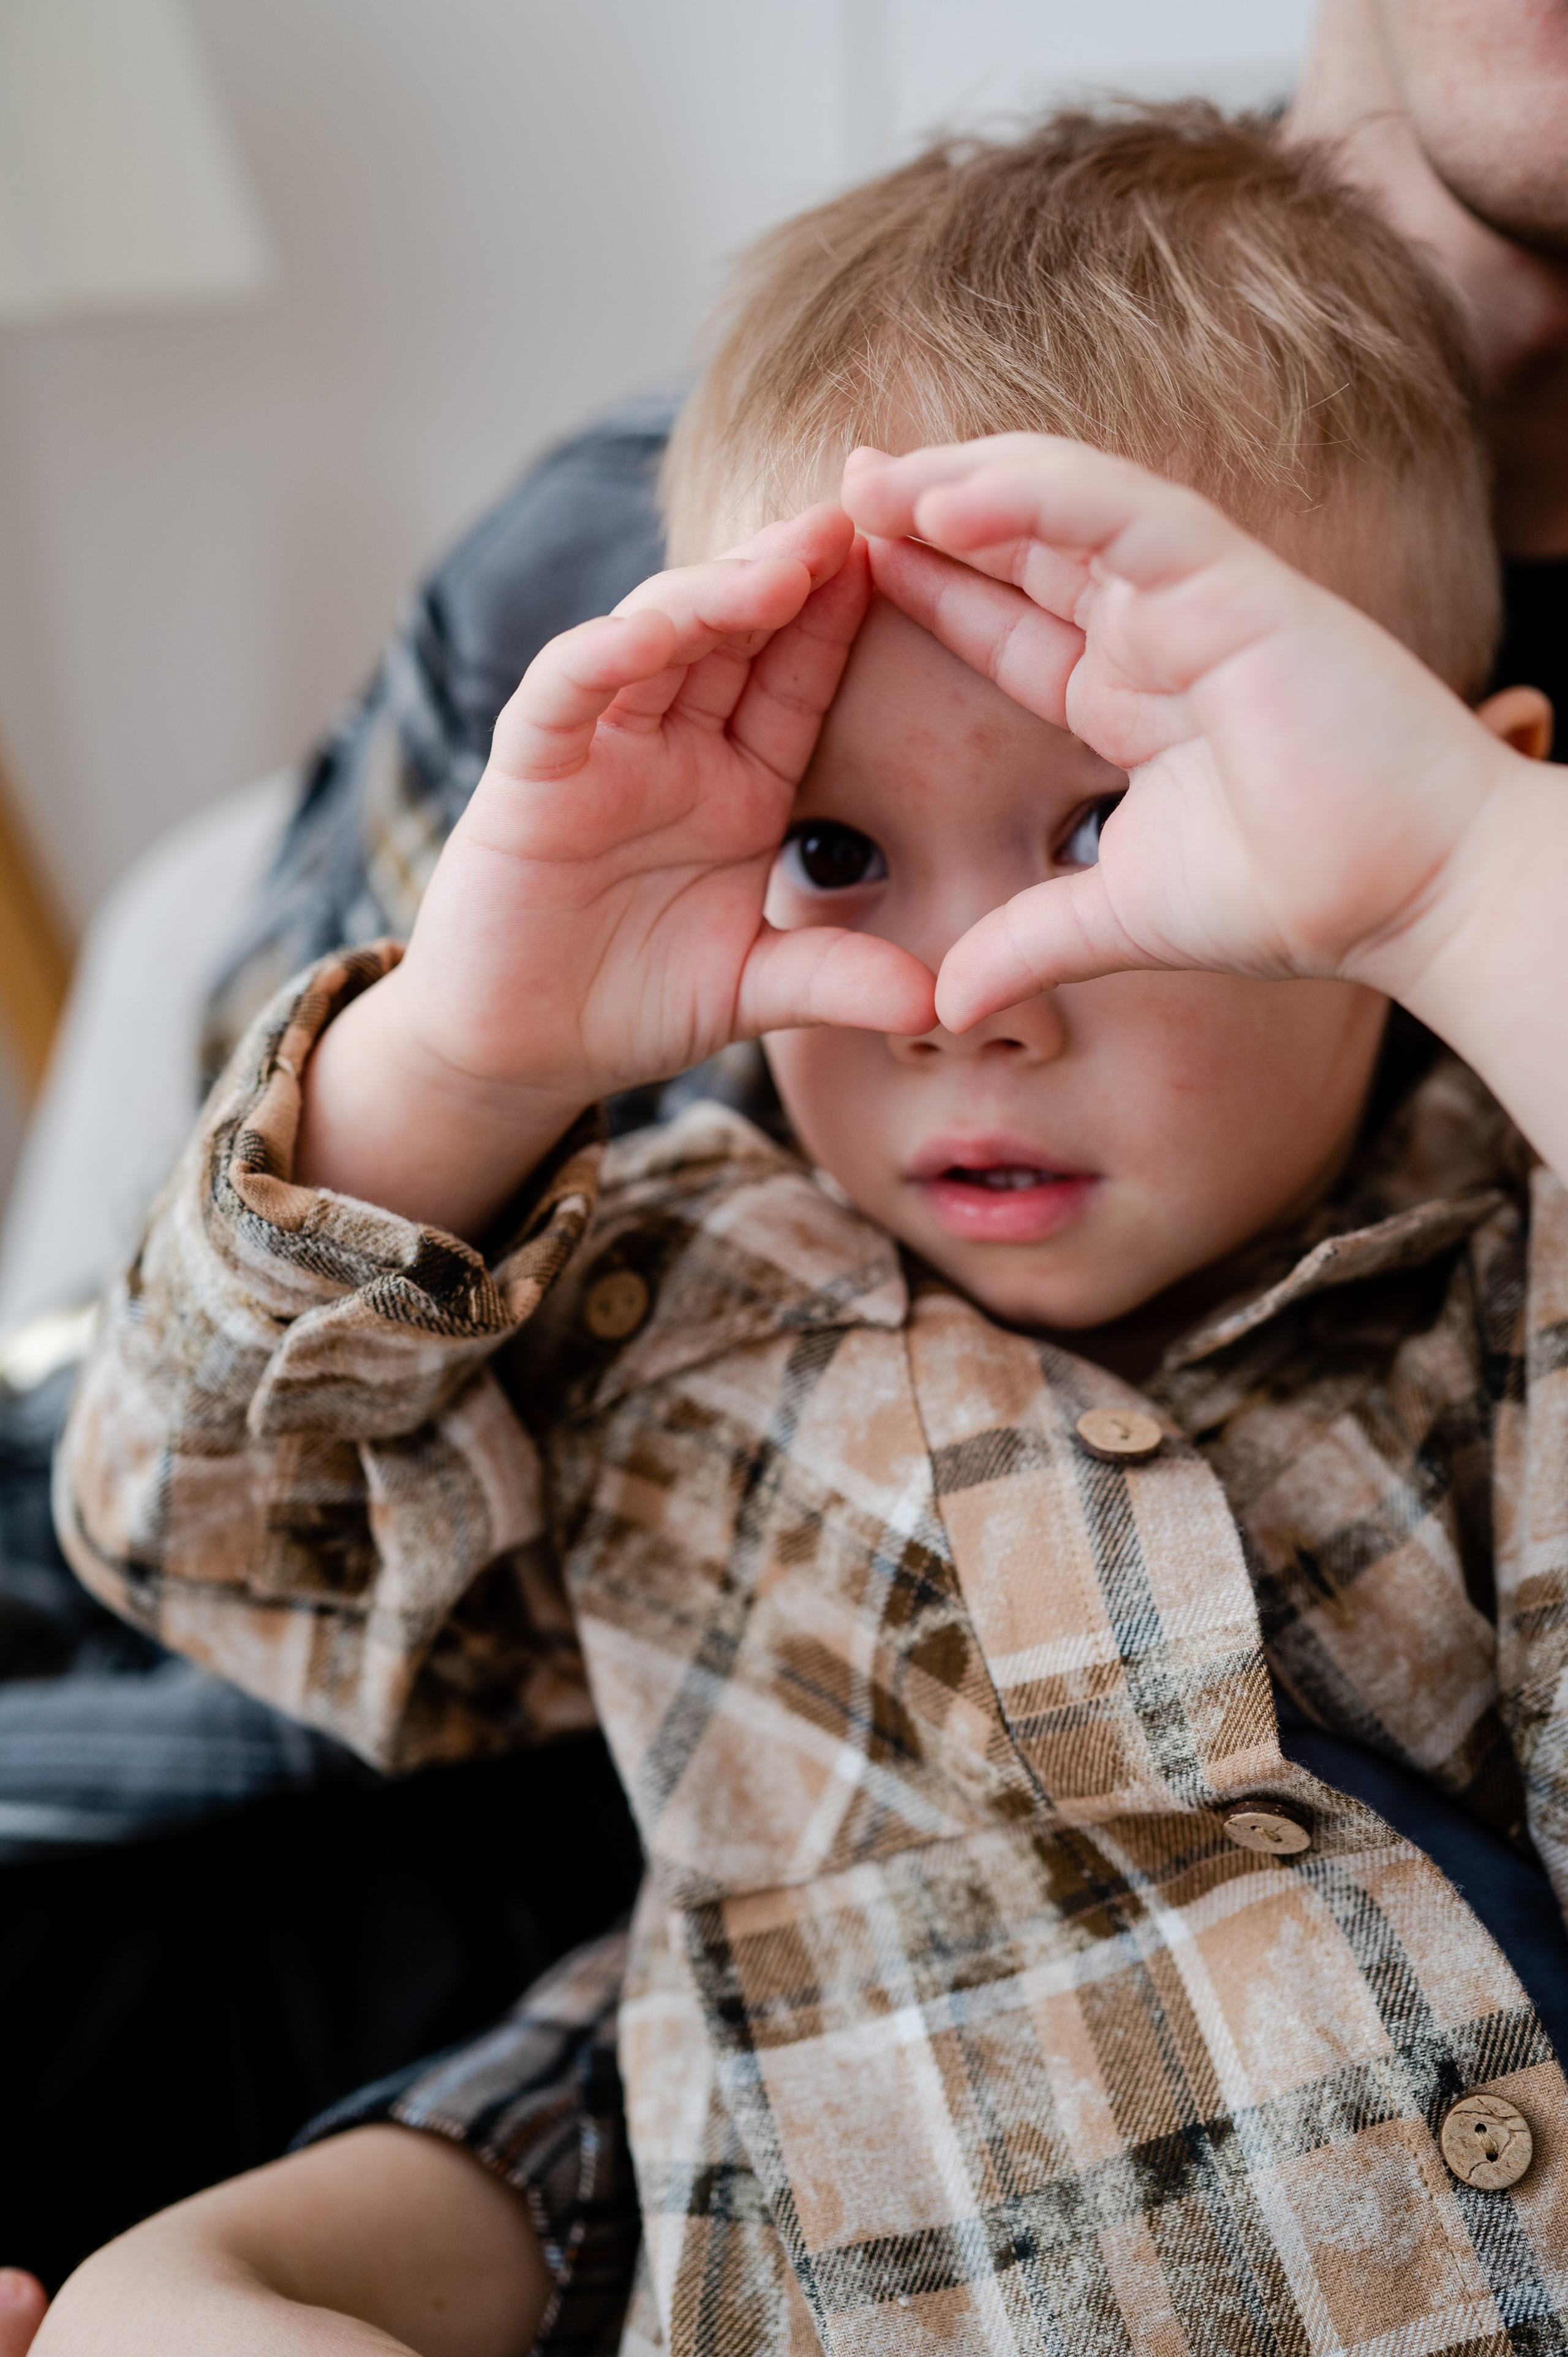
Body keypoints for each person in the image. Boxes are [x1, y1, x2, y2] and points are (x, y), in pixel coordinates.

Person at [27, 92, 1568, 2356]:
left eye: (1105, 832)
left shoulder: (1512, 1271)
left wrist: (1467, 886)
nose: (968, 1001)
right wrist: (458, 1058)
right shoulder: (653, 1292)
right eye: (835, 854)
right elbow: (207, 1547)